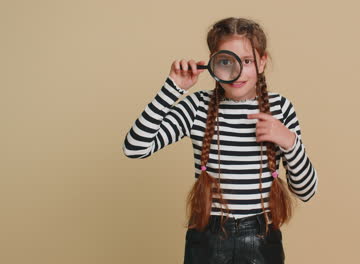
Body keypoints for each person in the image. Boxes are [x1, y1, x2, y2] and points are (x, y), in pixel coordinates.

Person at [122, 17, 318, 264]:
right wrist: (173, 88)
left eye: (246, 61)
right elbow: (135, 147)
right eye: (226, 61)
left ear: (262, 62)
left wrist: (289, 141)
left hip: (262, 239)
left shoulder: (280, 108)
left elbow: (306, 190)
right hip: (207, 239)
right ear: (213, 64)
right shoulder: (197, 107)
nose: (236, 72)